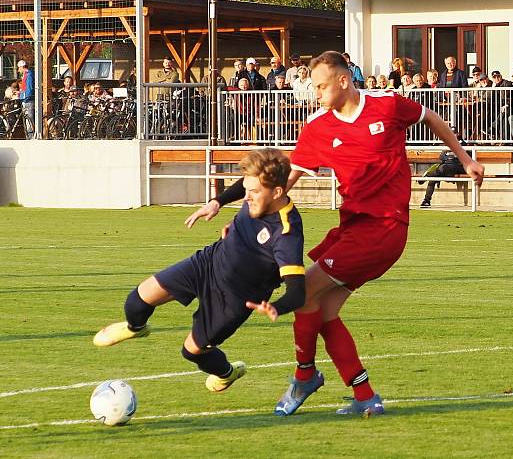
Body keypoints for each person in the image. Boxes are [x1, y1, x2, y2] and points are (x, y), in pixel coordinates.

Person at [184, 51, 485, 417]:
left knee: (305, 292)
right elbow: (282, 182)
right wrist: (247, 217)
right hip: (351, 227)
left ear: (343, 81)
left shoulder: (387, 105)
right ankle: (365, 396)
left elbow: (431, 117)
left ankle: (304, 375)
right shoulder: (317, 127)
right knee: (320, 310)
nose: (317, 93)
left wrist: (465, 158)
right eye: (314, 87)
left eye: (322, 86)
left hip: (385, 228)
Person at [94, 149, 307, 394]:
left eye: (254, 192)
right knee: (137, 300)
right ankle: (135, 328)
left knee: (191, 351)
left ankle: (228, 373)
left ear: (278, 192)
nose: (247, 197)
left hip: (233, 298)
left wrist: (276, 307)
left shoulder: (286, 233)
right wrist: (218, 202)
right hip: (209, 262)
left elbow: (298, 291)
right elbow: (246, 185)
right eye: (247, 189)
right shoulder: (259, 193)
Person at [17, 60, 35, 139]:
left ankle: (30, 137)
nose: (18, 70)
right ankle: (28, 136)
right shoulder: (25, 75)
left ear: (22, 67)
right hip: (25, 99)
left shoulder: (29, 74)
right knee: (26, 119)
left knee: (29, 120)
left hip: (28, 100)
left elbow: (29, 90)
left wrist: (21, 95)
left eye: (19, 68)